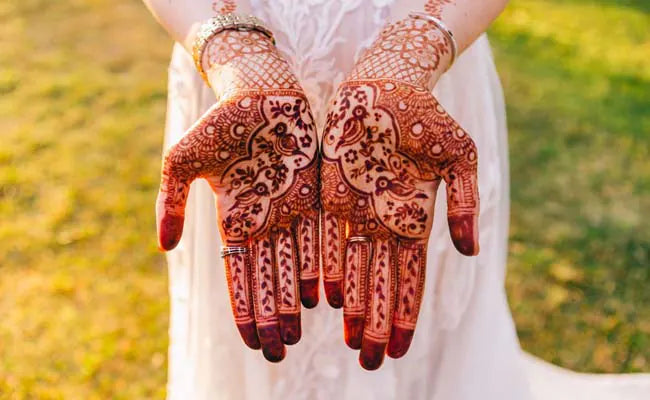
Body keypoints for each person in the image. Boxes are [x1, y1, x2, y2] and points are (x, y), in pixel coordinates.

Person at [141, 1, 650, 399]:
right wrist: (234, 53)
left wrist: (416, 46)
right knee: (251, 325)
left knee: (422, 348)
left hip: (425, 80)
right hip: (231, 85)